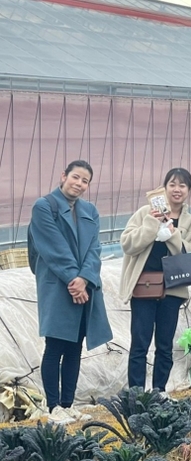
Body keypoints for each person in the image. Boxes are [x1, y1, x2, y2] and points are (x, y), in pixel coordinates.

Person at [30, 160, 113, 425]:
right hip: (58, 286)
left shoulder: (90, 210)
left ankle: (68, 404)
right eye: (75, 177)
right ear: (63, 176)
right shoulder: (44, 206)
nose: (79, 183)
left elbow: (95, 249)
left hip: (83, 287)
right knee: (55, 345)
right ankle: (54, 407)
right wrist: (73, 280)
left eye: (85, 180)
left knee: (76, 347)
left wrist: (86, 279)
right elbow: (52, 248)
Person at [120, 168, 191, 393]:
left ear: (189, 191)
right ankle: (136, 393)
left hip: (172, 288)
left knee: (165, 345)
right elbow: (127, 244)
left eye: (182, 186)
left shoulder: (190, 221)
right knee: (140, 343)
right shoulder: (146, 212)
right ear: (164, 188)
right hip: (144, 285)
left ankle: (159, 390)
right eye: (172, 184)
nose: (177, 190)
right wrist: (151, 225)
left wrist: (173, 235)